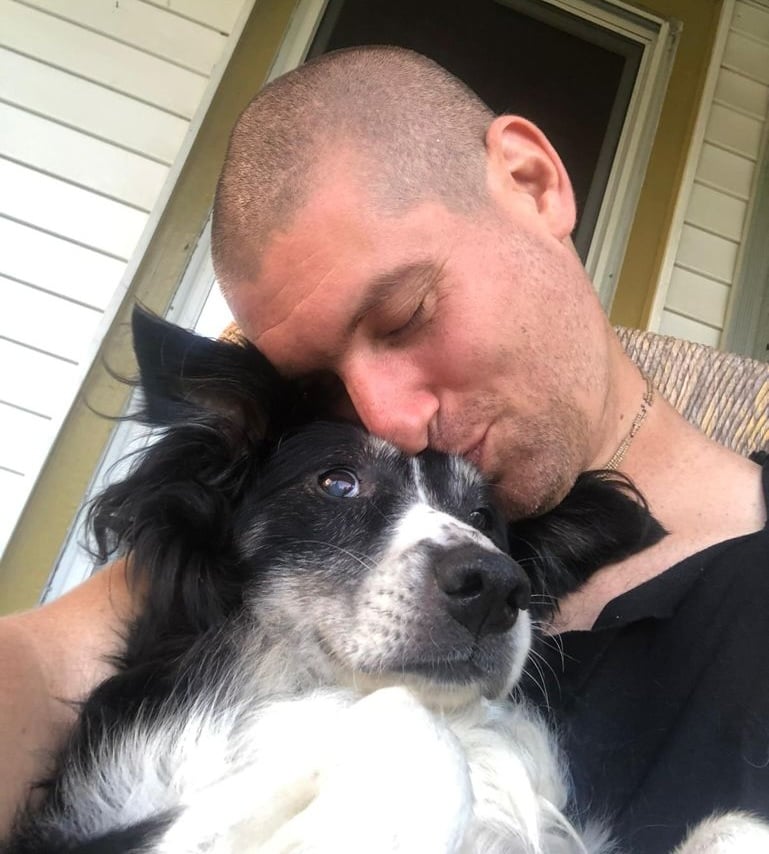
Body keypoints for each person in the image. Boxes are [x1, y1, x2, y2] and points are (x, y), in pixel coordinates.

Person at [0, 46, 766, 851]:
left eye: (404, 317)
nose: (389, 418)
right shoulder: (228, 543)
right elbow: (46, 659)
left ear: (533, 183)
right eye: (326, 388)